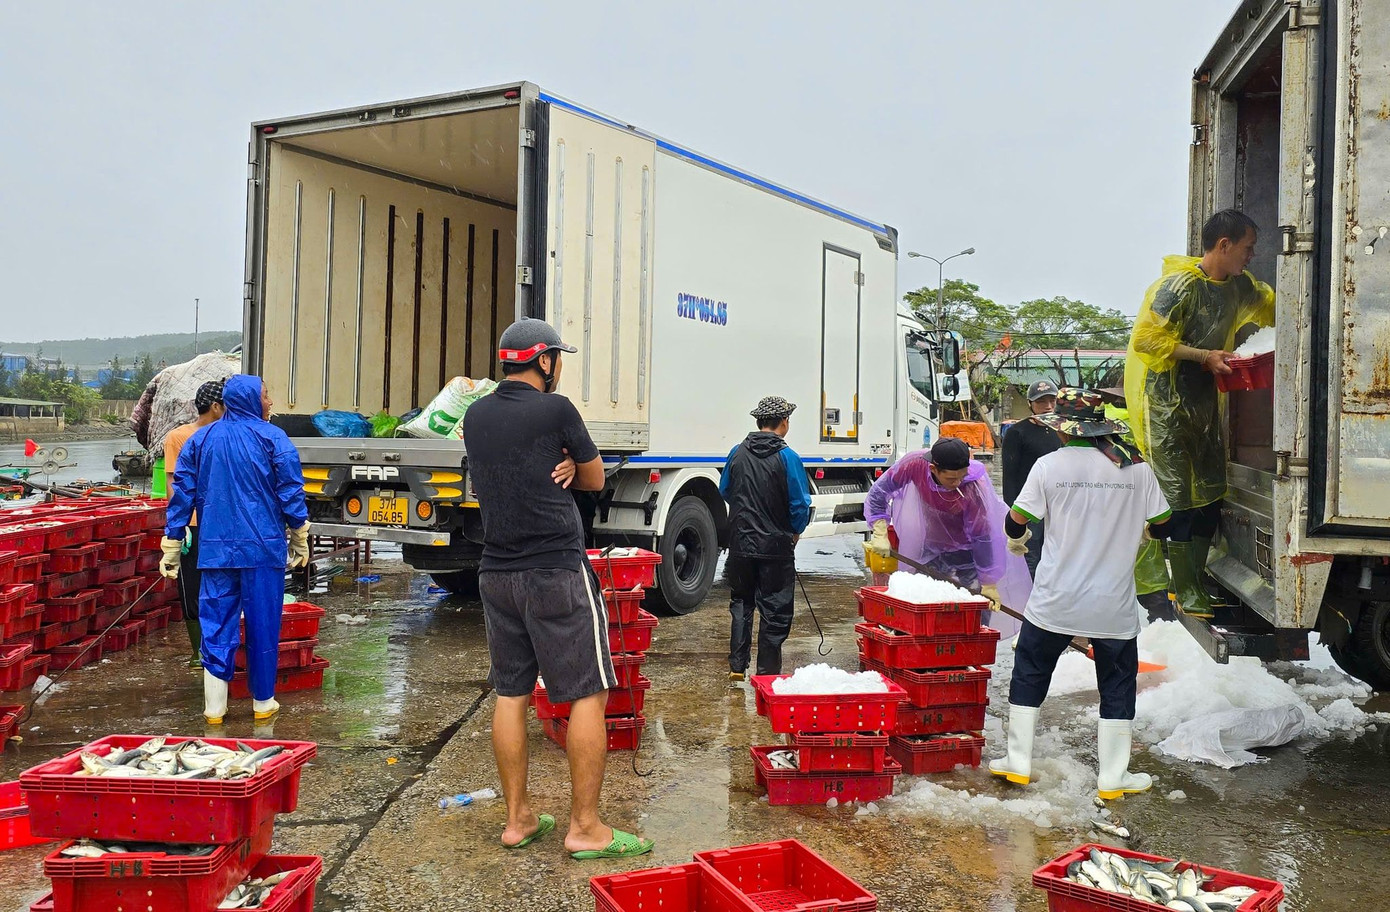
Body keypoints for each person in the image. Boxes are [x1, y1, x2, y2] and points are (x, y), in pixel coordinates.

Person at [461, 318, 653, 861]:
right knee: (587, 691)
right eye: (558, 358)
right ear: (544, 361)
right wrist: (569, 462)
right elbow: (594, 480)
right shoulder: (557, 409)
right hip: (556, 572)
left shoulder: (476, 415)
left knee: (511, 692)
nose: (560, 366)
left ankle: (518, 818)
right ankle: (586, 827)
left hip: (496, 573)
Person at [991, 388, 1172, 800]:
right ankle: (1113, 778)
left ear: (1062, 429)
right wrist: (1141, 530)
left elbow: (1016, 519)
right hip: (1113, 606)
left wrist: (1016, 539)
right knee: (1117, 684)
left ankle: (1018, 762)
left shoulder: (1049, 465)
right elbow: (1163, 523)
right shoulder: (1136, 468)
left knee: (1031, 672)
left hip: (1055, 599)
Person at [1124, 209, 1274, 619]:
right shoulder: (1178, 287)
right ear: (1223, 245)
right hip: (1166, 408)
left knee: (1210, 493)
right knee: (1179, 501)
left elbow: (1272, 309)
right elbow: (1147, 338)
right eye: (1247, 247)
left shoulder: (1240, 287)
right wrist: (1202, 355)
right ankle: (1181, 589)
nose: (1251, 255)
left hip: (1206, 405)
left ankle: (1198, 582)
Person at [159, 375, 310, 725]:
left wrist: (172, 542)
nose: (270, 402)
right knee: (263, 624)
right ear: (251, 400)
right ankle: (263, 703)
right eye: (267, 395)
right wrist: (300, 534)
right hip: (262, 550)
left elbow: (182, 494)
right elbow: (290, 490)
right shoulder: (273, 437)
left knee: (216, 624)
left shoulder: (202, 439)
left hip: (216, 551)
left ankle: (214, 709)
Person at [865, 437, 1030, 631]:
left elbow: (982, 536)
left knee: (974, 607)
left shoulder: (973, 486)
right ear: (933, 469)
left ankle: (970, 649)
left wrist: (988, 582)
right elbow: (879, 492)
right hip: (931, 546)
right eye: (952, 479)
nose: (958, 482)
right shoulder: (914, 465)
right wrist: (879, 531)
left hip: (968, 550)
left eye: (962, 476)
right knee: (923, 602)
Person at [719, 396, 812, 681]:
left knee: (741, 602)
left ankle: (737, 667)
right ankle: (767, 674)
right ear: (784, 423)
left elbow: (725, 490)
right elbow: (799, 503)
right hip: (776, 547)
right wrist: (795, 530)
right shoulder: (789, 457)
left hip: (741, 545)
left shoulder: (736, 452)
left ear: (758, 422)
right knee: (775, 610)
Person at [161, 379, 225, 668]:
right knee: (192, 587)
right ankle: (198, 650)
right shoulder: (179, 437)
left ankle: (218, 644)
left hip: (221, 523)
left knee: (221, 584)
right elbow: (173, 482)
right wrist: (181, 523)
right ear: (215, 406)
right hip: (194, 523)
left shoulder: (225, 435)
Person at [1001, 379, 1061, 579]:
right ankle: (1030, 603)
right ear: (1030, 404)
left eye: (1052, 400)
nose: (1048, 406)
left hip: (1058, 505)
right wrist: (1014, 514)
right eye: (1041, 401)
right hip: (1030, 507)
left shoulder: (1063, 431)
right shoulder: (1017, 433)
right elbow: (1009, 476)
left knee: (1055, 556)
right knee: (1031, 558)